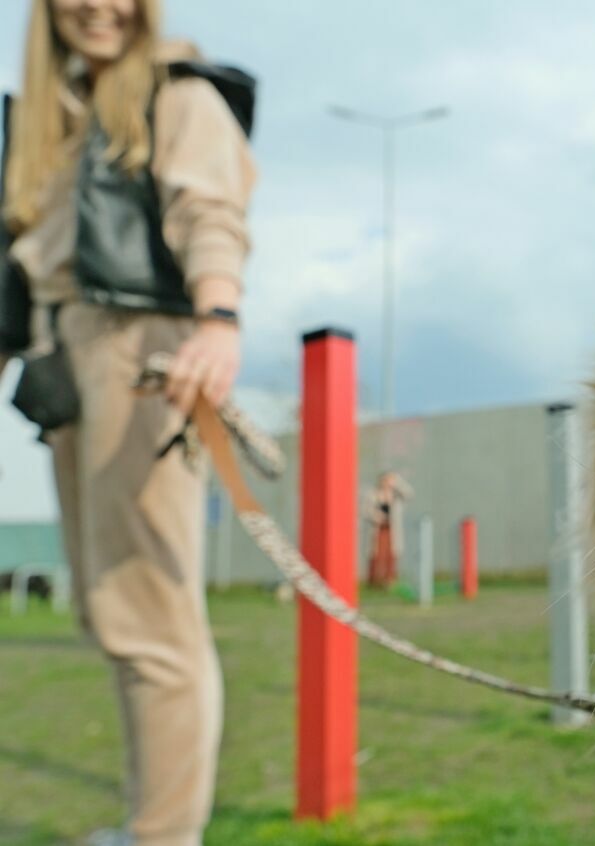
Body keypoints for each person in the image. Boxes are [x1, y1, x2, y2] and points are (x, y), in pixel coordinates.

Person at [0, 2, 256, 844]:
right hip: (66, 358)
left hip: (139, 352)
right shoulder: (50, 120)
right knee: (112, 612)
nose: (96, 6)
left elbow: (209, 214)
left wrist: (218, 320)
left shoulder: (178, 92)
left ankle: (162, 836)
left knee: (150, 616)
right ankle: (152, 823)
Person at [366, 470, 414, 588]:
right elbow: (366, 510)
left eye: (389, 480)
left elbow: (409, 494)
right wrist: (377, 516)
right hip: (378, 528)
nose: (387, 483)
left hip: (392, 529)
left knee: (391, 554)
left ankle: (390, 580)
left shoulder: (396, 495)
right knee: (376, 554)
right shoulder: (374, 494)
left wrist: (397, 483)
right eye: (385, 480)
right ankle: (375, 582)